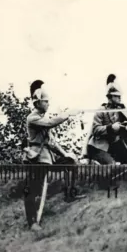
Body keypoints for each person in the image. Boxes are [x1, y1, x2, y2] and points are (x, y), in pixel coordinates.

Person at [23, 79, 77, 231]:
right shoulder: (32, 118)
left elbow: (51, 143)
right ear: (37, 103)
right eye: (45, 102)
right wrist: (68, 114)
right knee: (32, 190)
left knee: (70, 163)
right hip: (36, 159)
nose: (48, 104)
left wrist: (66, 154)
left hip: (48, 159)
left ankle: (70, 194)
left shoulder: (43, 118)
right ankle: (32, 222)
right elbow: (50, 123)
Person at [85, 74, 127, 164]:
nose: (119, 97)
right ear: (109, 97)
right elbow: (95, 129)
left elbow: (125, 123)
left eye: (119, 95)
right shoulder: (101, 110)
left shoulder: (120, 110)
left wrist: (125, 126)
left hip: (114, 145)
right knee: (112, 166)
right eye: (116, 96)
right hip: (99, 146)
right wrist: (111, 128)